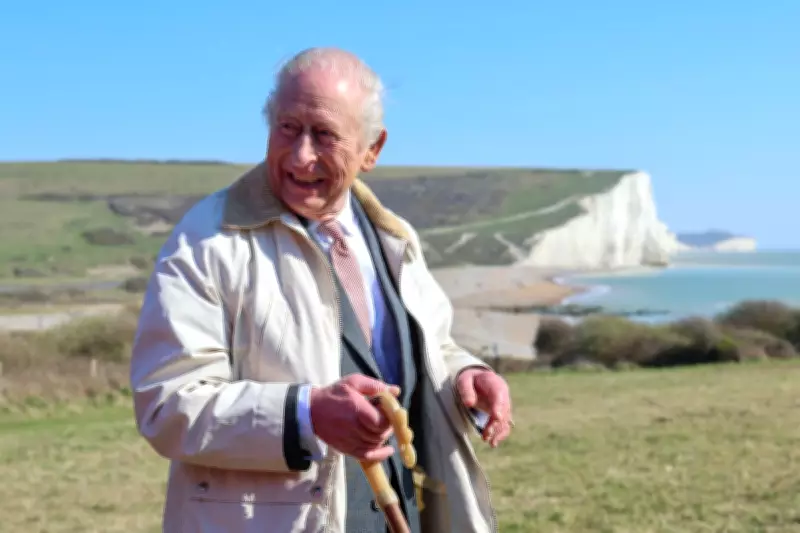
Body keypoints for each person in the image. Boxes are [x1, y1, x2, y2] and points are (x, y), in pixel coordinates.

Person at [129, 46, 513, 533]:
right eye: (288, 128)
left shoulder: (395, 238)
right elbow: (167, 403)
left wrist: (464, 377)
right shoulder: (206, 239)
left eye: (325, 135)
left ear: (372, 149)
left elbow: (429, 348)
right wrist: (306, 415)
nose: (300, 155)